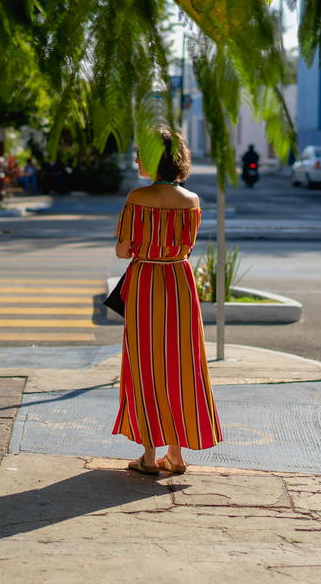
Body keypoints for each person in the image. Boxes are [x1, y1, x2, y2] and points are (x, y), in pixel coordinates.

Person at [113, 128, 222, 475]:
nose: (136, 159)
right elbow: (188, 247)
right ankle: (176, 455)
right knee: (182, 365)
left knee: (145, 365)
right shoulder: (192, 201)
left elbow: (122, 251)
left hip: (145, 281)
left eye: (140, 153)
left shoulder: (137, 197)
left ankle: (148, 455)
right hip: (178, 282)